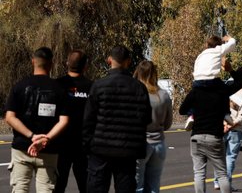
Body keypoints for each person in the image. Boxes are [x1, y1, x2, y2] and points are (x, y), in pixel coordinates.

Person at [180, 56, 242, 193]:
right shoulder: (221, 91)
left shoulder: (196, 91)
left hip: (197, 136)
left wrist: (195, 110)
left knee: (199, 174)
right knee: (222, 173)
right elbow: (239, 83)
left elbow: (181, 109)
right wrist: (237, 69)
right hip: (214, 135)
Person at [83, 45, 152, 193]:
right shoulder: (139, 88)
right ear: (128, 61)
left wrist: (89, 145)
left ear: (109, 60)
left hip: (101, 150)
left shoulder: (98, 86)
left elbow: (88, 120)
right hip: (127, 152)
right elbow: (146, 119)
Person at [5, 47, 69, 193]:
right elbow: (64, 121)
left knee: (20, 188)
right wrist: (45, 139)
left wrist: (32, 136)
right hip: (49, 150)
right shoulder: (59, 89)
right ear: (51, 64)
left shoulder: (19, 87)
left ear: (33, 61)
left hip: (22, 149)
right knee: (46, 189)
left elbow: (10, 117)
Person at [54, 50, 92, 193]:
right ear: (85, 66)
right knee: (86, 185)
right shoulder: (92, 87)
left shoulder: (57, 85)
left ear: (66, 64)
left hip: (60, 143)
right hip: (84, 144)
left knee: (58, 185)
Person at [134, 60, 173, 193]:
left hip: (141, 143)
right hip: (159, 143)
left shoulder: (136, 94)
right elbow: (168, 124)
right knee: (154, 185)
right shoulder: (164, 95)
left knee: (138, 186)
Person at [186, 35, 237, 129]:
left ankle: (191, 115)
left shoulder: (200, 55)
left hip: (197, 80)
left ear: (207, 45)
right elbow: (232, 44)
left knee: (195, 96)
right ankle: (226, 114)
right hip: (212, 79)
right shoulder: (218, 50)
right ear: (218, 45)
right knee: (224, 91)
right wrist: (228, 39)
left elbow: (195, 69)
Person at [223, 89, 242, 191]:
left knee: (220, 157)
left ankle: (217, 181)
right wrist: (232, 125)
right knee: (230, 158)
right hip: (236, 131)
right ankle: (226, 183)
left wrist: (225, 124)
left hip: (224, 130)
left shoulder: (228, 96)